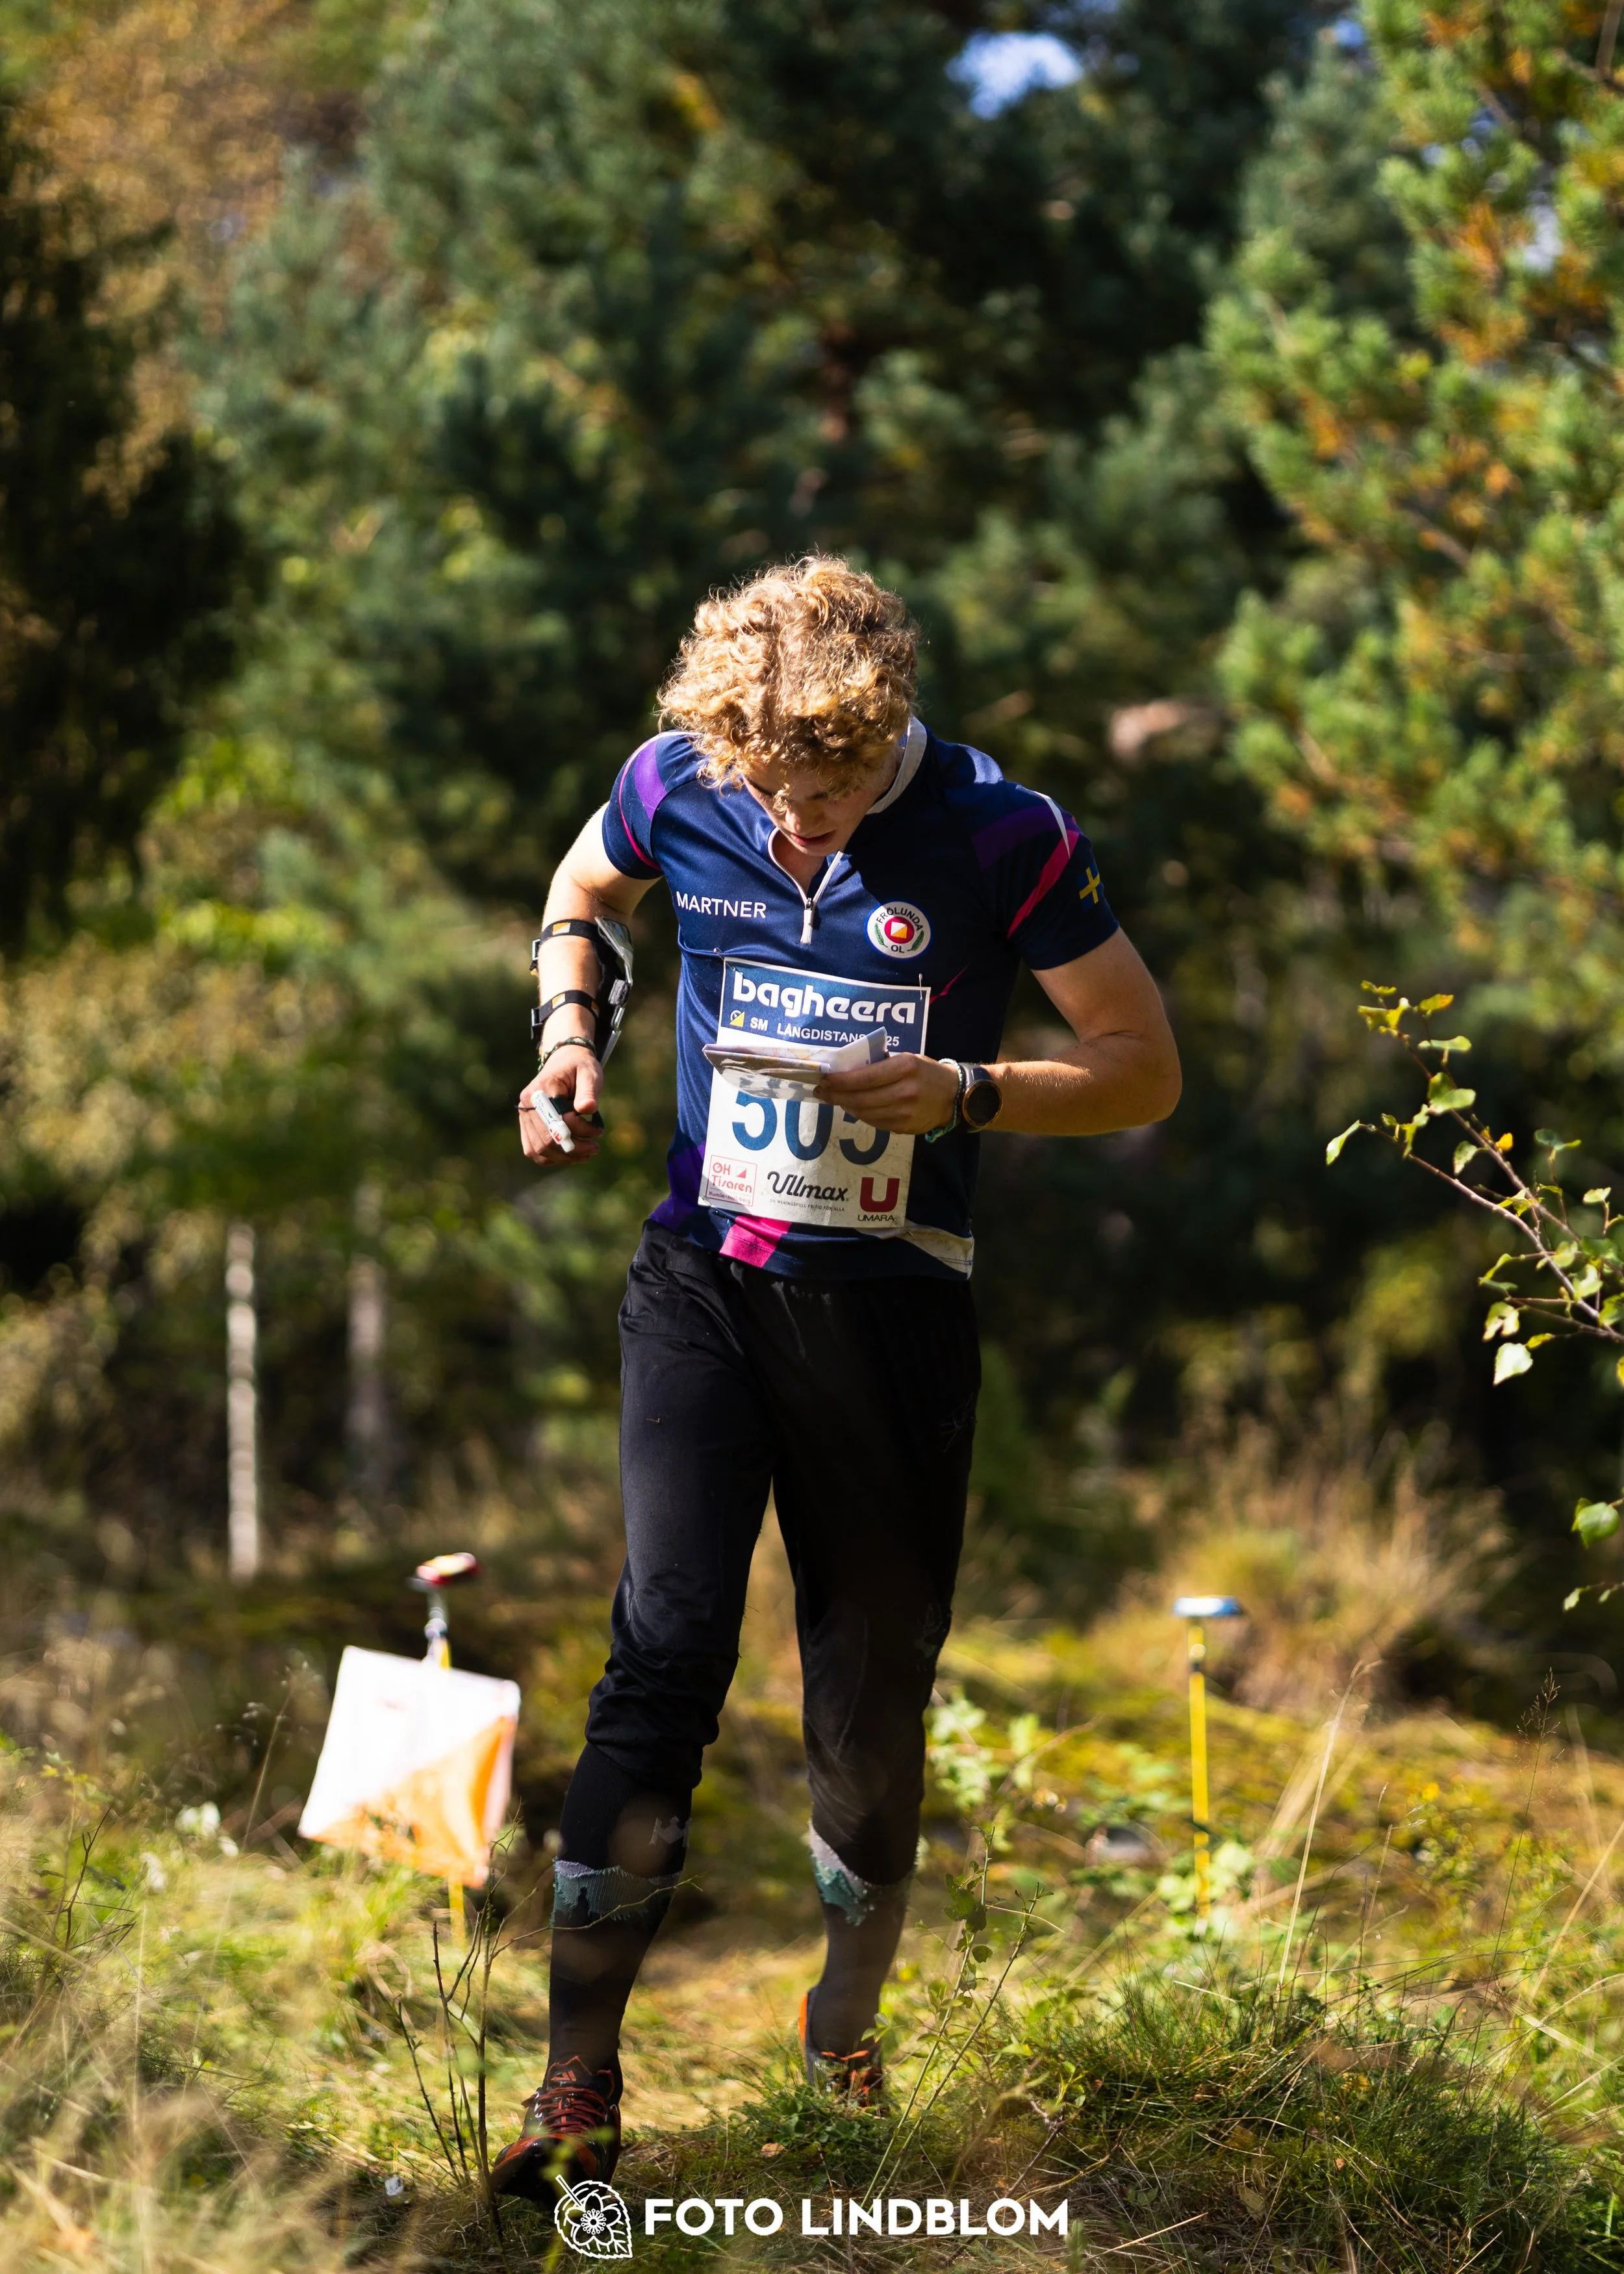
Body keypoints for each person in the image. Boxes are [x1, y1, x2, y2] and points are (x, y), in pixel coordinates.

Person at [491, 558, 1180, 2200]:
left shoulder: (1006, 833)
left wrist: (963, 1089)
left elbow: (1138, 1067)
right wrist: (565, 1039)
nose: (796, 827)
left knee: (868, 1716)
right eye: (768, 795)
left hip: (890, 1317)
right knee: (661, 1655)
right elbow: (582, 895)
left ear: (883, 736)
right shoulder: (677, 781)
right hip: (705, 1286)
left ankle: (838, 2036)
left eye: (832, 790)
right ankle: (572, 2085)